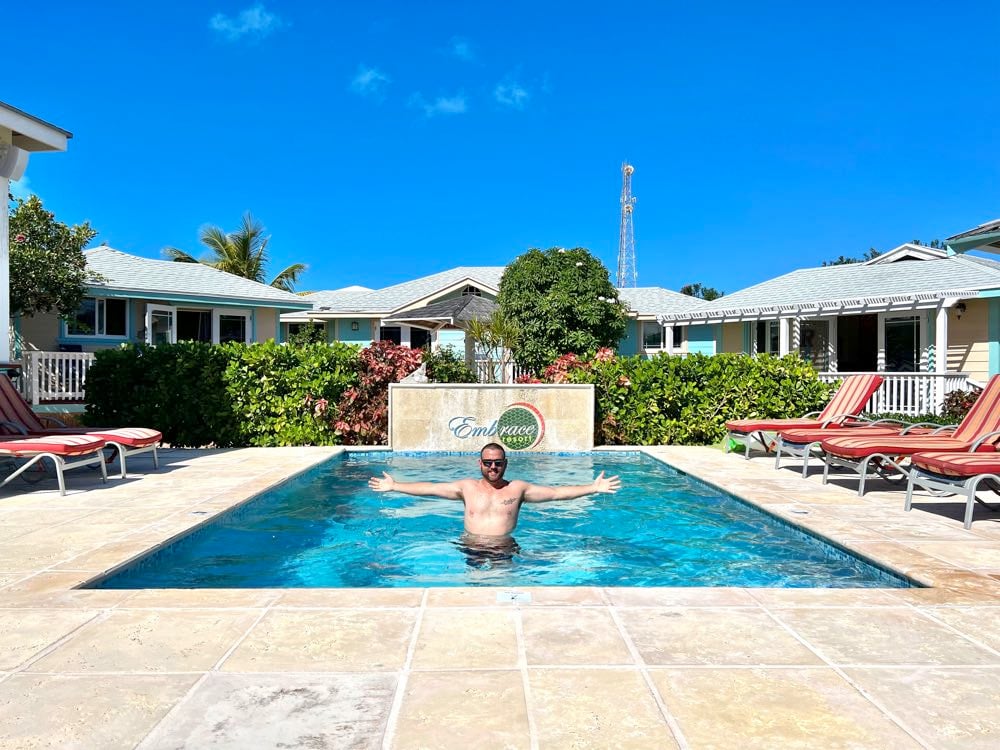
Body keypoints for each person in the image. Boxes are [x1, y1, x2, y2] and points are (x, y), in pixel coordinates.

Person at [367, 442, 621, 537]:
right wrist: (395, 486)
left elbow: (555, 492)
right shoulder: (466, 488)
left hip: (505, 547)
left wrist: (592, 488)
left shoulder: (518, 489)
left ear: (505, 464)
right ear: (480, 463)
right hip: (471, 546)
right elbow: (431, 488)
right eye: (488, 463)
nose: (493, 467)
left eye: (498, 463)